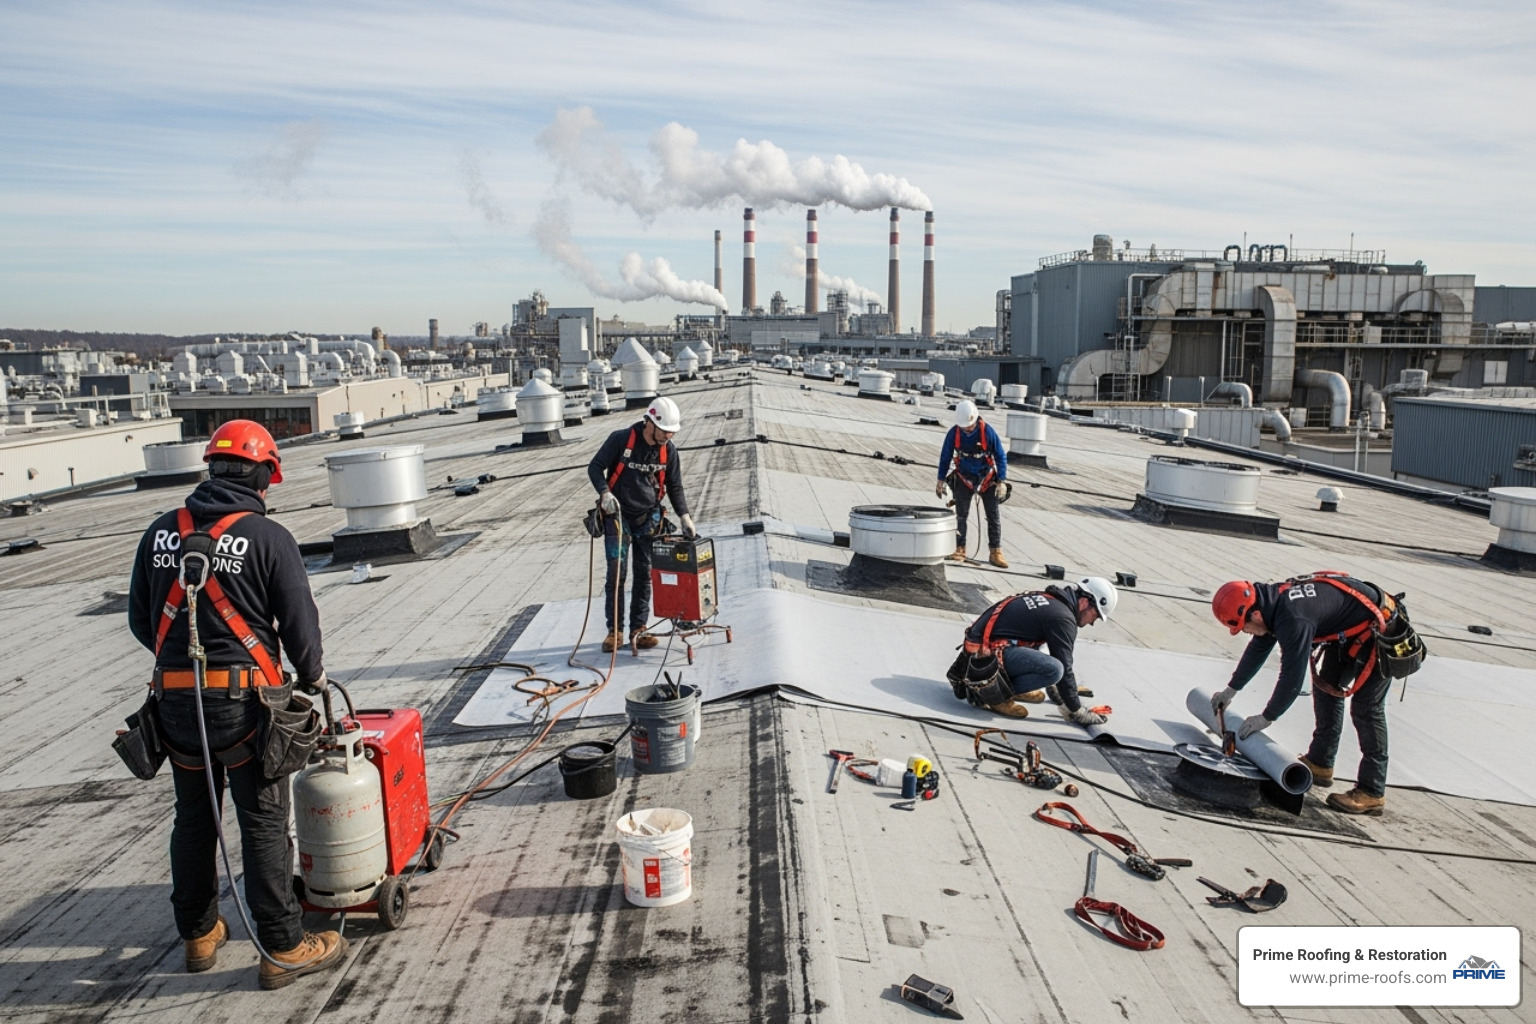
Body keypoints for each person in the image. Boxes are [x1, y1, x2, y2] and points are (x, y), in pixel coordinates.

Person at [128, 420, 347, 988]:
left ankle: (198, 934)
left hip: (174, 707)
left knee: (194, 819)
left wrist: (183, 664)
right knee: (263, 821)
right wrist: (312, 675)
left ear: (211, 469)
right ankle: (283, 946)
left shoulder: (159, 533)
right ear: (264, 475)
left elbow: (140, 620)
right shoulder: (268, 537)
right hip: (245, 710)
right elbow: (299, 622)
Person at [1209, 572, 1401, 816]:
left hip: (1383, 630)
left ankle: (1372, 791)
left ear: (1255, 614)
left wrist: (1267, 717)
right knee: (1326, 689)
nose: (1246, 632)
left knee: (1366, 710)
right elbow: (1258, 648)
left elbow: (1292, 677)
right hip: (1352, 631)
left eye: (1243, 628)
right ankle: (1321, 762)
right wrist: (1231, 689)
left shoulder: (1293, 617)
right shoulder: (1269, 604)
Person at [587, 396, 697, 653]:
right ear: (650, 422)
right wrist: (605, 493)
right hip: (618, 518)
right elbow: (595, 468)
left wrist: (685, 516)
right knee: (616, 575)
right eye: (665, 431)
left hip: (649, 519)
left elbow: (675, 486)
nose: (668, 436)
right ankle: (615, 631)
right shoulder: (621, 440)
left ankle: (639, 629)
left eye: (672, 432)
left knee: (645, 574)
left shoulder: (668, 451)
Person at [945, 577, 1117, 723]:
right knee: (1056, 669)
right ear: (1085, 602)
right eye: (1096, 615)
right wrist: (1077, 710)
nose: (1092, 622)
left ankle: (1007, 686)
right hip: (982, 666)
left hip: (976, 657)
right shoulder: (1063, 618)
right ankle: (994, 695)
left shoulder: (1050, 601)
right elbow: (1064, 666)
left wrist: (1058, 692)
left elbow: (1044, 648)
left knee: (1051, 662)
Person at [936, 400, 1008, 567]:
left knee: (993, 516)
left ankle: (995, 552)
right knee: (960, 515)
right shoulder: (954, 433)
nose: (967, 429)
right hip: (964, 477)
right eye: (964, 427)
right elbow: (945, 456)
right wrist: (940, 479)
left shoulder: (988, 432)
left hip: (986, 478)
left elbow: (1000, 456)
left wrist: (1001, 481)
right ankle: (959, 549)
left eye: (969, 426)